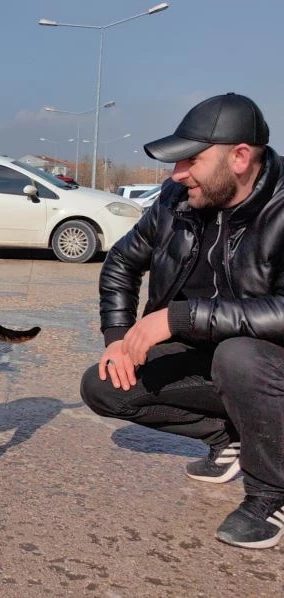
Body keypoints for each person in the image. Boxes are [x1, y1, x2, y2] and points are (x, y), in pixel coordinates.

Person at [80, 93, 284, 550]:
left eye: (190, 159)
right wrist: (117, 338)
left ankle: (272, 494)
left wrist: (181, 317)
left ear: (240, 156)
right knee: (103, 384)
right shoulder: (177, 200)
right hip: (213, 355)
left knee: (239, 357)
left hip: (266, 362)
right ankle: (229, 437)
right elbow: (120, 263)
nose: (177, 174)